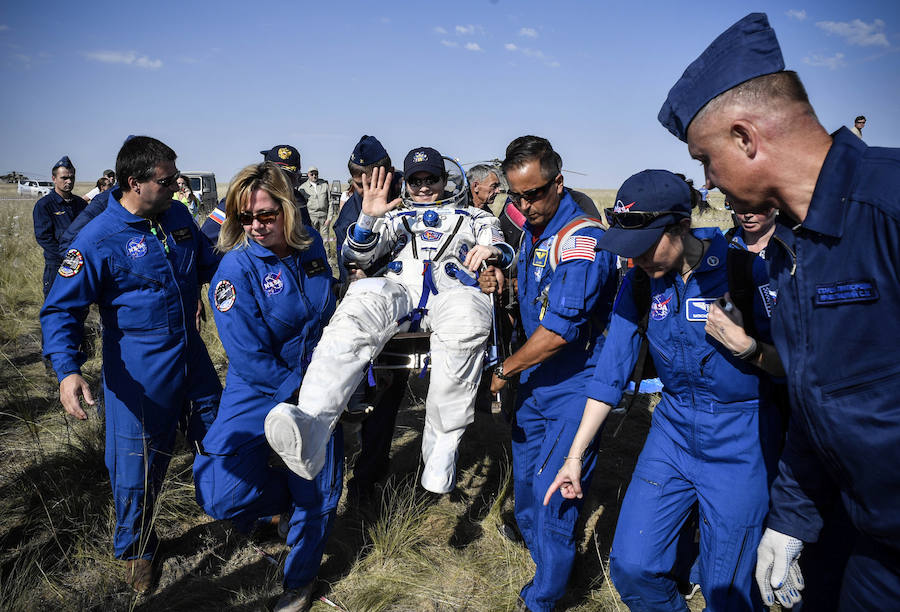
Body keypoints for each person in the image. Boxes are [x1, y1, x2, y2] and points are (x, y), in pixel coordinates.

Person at [659, 12, 900, 609]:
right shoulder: (794, 252)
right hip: (863, 535)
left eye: (705, 159)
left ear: (745, 137)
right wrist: (790, 518)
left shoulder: (887, 206)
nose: (709, 183)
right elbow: (815, 403)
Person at [544, 169, 783, 611]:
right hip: (671, 432)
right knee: (633, 568)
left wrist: (748, 348)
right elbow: (608, 376)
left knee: (726, 590)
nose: (637, 260)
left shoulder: (746, 271)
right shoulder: (639, 282)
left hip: (741, 437)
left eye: (646, 248)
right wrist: (573, 458)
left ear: (680, 226)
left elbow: (797, 366)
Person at [265, 146, 515, 496]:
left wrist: (491, 253)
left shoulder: (474, 217)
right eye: (416, 181)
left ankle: (441, 446)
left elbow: (503, 248)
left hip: (454, 291)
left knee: (469, 317)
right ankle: (311, 423)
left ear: (445, 181)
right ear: (407, 184)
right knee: (358, 303)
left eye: (432, 179)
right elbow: (356, 254)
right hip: (401, 289)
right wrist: (368, 218)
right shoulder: (395, 216)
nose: (424, 187)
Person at [40, 136, 221, 592]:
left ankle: (243, 507)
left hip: (191, 353)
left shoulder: (177, 215)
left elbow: (208, 263)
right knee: (135, 463)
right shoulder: (97, 239)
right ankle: (138, 548)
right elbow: (62, 310)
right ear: (134, 183)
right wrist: (67, 369)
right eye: (167, 181)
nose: (177, 186)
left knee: (219, 431)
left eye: (177, 177)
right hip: (137, 366)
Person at [478, 136, 618, 612]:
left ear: (559, 183)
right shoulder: (535, 231)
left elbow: (561, 329)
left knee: (552, 495)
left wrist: (506, 369)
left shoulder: (581, 239)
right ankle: (553, 564)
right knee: (525, 489)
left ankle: (544, 598)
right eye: (515, 196)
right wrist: (504, 279)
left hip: (574, 384)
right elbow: (540, 296)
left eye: (534, 194)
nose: (524, 205)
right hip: (538, 382)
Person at [194, 162, 339, 612]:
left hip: (317, 380)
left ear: (287, 209)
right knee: (217, 488)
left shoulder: (311, 247)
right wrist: (300, 394)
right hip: (258, 385)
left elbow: (327, 308)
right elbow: (249, 357)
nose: (254, 225)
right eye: (244, 217)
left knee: (319, 487)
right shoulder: (234, 271)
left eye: (265, 215)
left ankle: (300, 578)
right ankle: (285, 502)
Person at [201, 144, 311, 245]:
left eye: (288, 177)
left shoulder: (298, 203)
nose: (281, 182)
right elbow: (207, 239)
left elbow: (305, 239)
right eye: (276, 176)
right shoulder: (239, 200)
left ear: (297, 178)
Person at [33, 156, 88, 297]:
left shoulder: (80, 204)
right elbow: (44, 237)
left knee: (79, 305)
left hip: (81, 264)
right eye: (64, 178)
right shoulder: (45, 205)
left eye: (72, 177)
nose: (69, 181)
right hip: (57, 265)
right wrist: (66, 257)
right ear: (54, 179)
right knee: (55, 306)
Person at [298, 166, 331, 236]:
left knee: (325, 241)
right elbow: (301, 206)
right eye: (312, 174)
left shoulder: (324, 185)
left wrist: (329, 218)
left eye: (316, 174)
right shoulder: (302, 188)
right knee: (312, 239)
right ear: (308, 175)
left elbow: (330, 202)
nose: (314, 176)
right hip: (311, 217)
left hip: (324, 217)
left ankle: (327, 248)